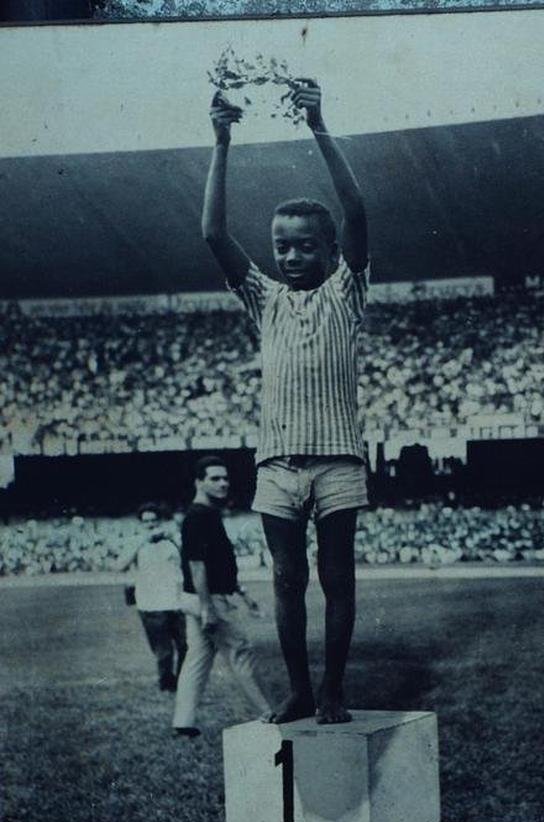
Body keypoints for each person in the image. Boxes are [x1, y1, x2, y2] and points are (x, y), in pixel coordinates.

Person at [202, 77, 369, 725]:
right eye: (281, 246)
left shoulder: (345, 293)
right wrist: (221, 139)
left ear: (331, 253)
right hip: (276, 463)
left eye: (305, 246)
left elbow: (356, 212)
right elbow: (213, 231)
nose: (291, 255)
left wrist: (318, 123)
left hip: (337, 460)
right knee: (285, 577)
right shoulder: (264, 298)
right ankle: (300, 687)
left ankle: (333, 687)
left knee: (338, 577)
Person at [172, 456, 269, 737]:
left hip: (200, 597)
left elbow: (217, 564)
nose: (223, 483)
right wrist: (208, 609)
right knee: (240, 651)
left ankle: (183, 721)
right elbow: (197, 565)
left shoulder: (205, 513)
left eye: (225, 478)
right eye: (215, 478)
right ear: (199, 482)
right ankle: (268, 713)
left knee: (198, 658)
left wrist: (243, 594)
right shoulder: (199, 515)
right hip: (208, 600)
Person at [113, 502, 186, 692]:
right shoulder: (135, 542)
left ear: (160, 521)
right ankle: (167, 684)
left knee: (185, 645)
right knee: (163, 651)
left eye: (154, 520)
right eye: (146, 521)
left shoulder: (172, 540)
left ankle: (184, 683)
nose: (151, 525)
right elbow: (119, 565)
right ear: (140, 524)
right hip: (150, 604)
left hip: (177, 601)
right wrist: (142, 541)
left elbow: (187, 561)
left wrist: (174, 539)